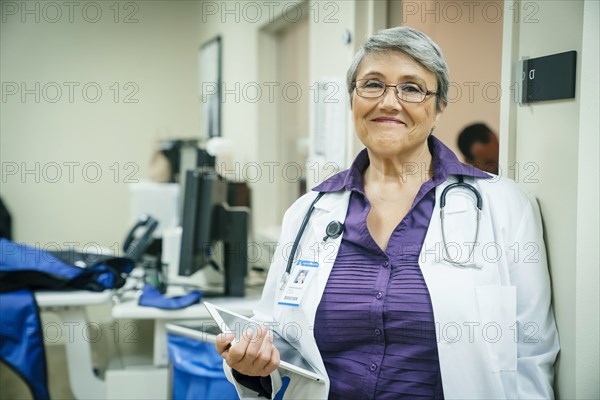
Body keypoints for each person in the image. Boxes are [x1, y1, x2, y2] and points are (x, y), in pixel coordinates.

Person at [216, 27, 559, 399]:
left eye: (411, 88)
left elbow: (532, 351)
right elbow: (276, 337)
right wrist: (250, 368)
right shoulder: (308, 212)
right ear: (353, 99)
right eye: (373, 85)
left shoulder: (504, 205)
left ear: (439, 106)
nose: (389, 103)